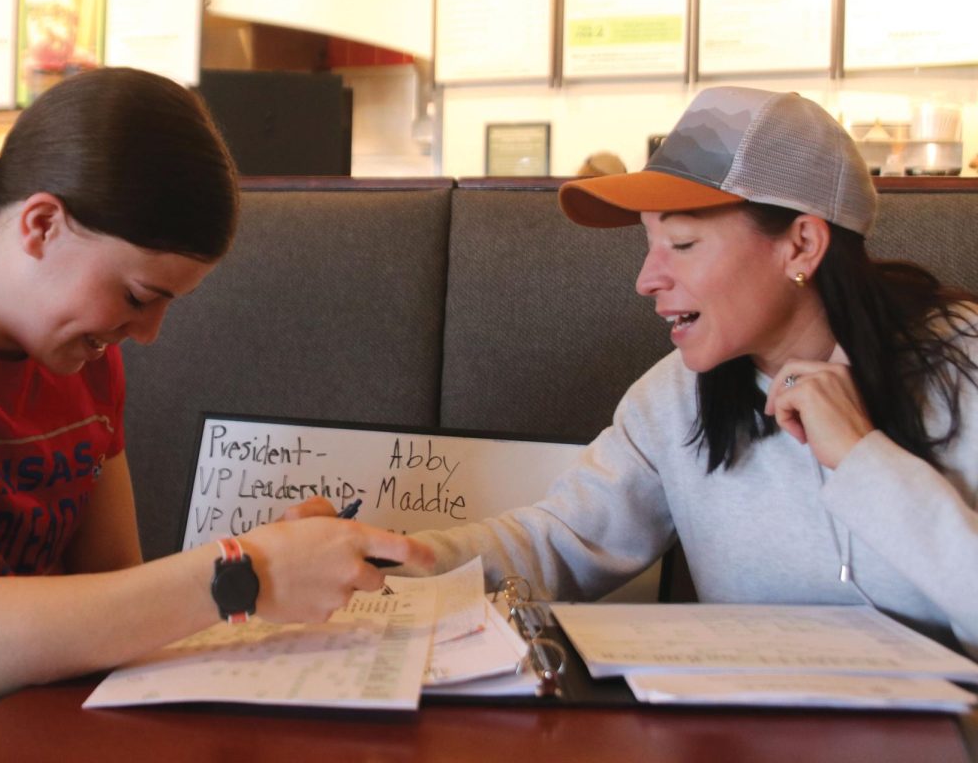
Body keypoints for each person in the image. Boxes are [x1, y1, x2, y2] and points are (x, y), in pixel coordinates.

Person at [0, 67, 432, 762]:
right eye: (137, 295)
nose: (146, 334)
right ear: (41, 224)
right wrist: (246, 573)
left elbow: (116, 590)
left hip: (54, 728)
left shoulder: (81, 359)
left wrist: (267, 559)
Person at [407, 86, 978, 661]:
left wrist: (862, 459)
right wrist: (405, 559)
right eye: (650, 243)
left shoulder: (964, 364)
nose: (647, 279)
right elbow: (560, 543)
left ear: (802, 245)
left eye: (682, 242)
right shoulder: (672, 397)